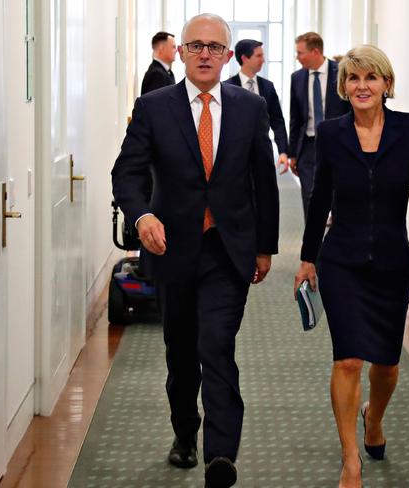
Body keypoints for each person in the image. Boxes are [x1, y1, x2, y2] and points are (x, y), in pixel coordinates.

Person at [112, 13, 279, 488]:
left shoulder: (249, 108)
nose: (205, 54)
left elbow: (264, 183)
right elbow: (126, 173)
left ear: (228, 56)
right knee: (181, 353)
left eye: (214, 47)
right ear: (181, 53)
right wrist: (141, 216)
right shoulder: (153, 106)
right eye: (195, 46)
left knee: (217, 347)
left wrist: (265, 247)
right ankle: (185, 431)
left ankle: (220, 457)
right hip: (172, 249)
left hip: (228, 251)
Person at [293, 45, 409, 488]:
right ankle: (350, 459)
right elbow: (319, 198)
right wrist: (306, 257)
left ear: (386, 85)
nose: (361, 86)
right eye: (353, 79)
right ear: (344, 87)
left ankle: (373, 417)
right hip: (342, 260)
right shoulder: (334, 133)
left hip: (392, 261)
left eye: (370, 78)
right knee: (349, 359)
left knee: (387, 365)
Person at [289, 32, 350, 218]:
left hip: (337, 143)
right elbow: (295, 118)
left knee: (337, 193)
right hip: (308, 145)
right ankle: (312, 242)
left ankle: (336, 240)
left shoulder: (341, 72)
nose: (297, 57)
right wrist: (292, 153)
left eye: (300, 53)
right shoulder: (297, 77)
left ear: (315, 51)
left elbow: (349, 110)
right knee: (309, 195)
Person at [225, 39, 290, 173]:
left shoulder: (268, 87)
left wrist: (283, 151)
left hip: (263, 153)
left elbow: (277, 121)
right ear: (244, 58)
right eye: (259, 56)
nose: (263, 60)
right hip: (233, 156)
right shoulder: (226, 87)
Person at [140, 31, 177, 95]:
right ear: (162, 49)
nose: (176, 50)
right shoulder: (157, 74)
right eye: (173, 47)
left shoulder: (166, 72)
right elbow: (155, 103)